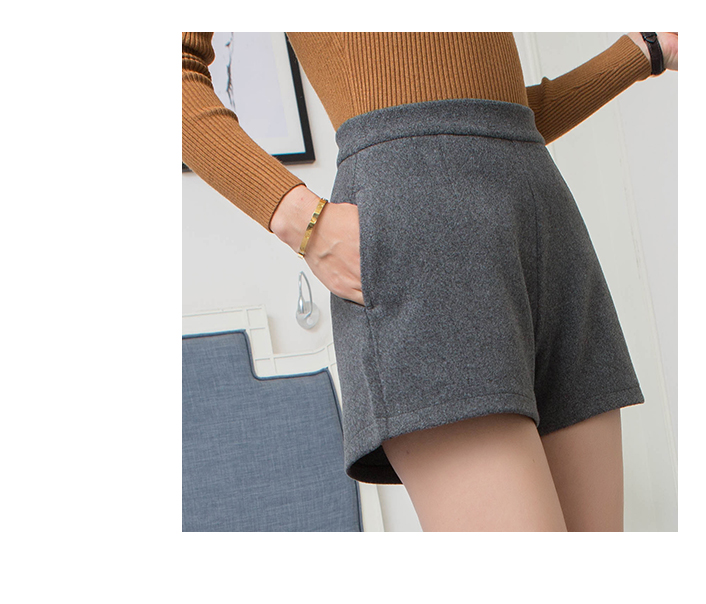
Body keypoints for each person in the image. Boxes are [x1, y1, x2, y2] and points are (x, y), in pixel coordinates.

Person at [182, 32, 679, 532]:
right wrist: (301, 220)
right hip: (419, 236)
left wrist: (646, 50)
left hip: (546, 222)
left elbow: (492, 116)